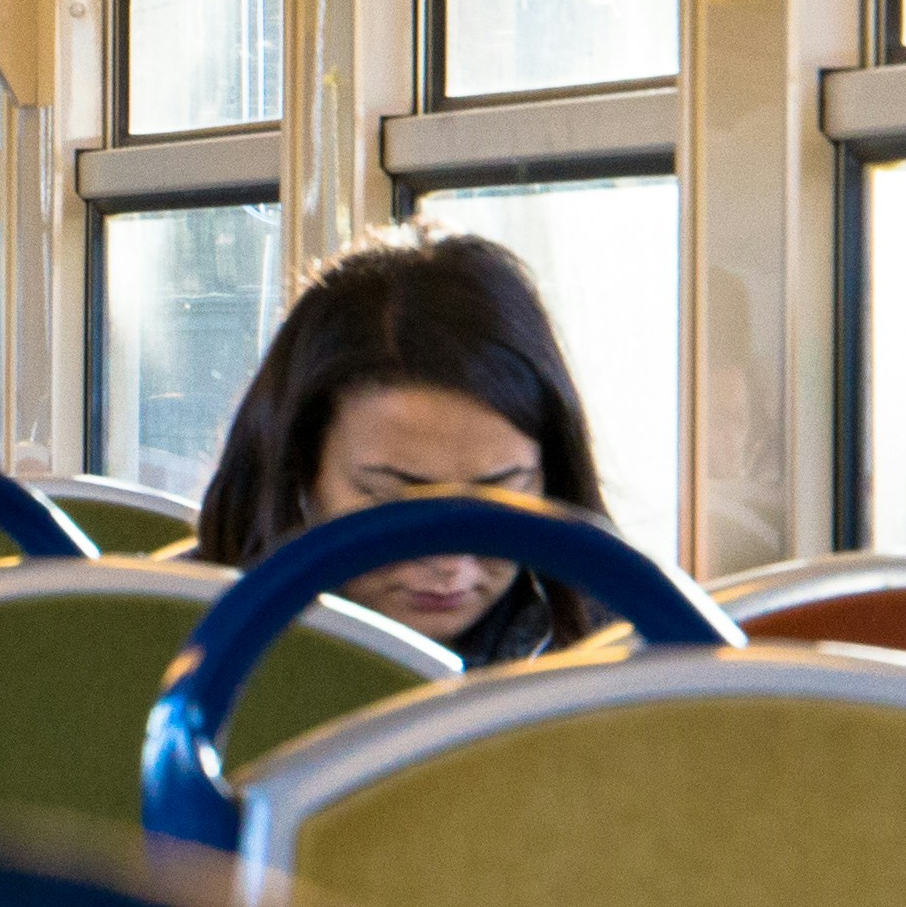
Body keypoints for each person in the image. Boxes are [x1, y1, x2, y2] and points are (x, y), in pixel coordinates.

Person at [187, 225, 612, 667]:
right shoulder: (164, 635)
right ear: (297, 470)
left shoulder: (629, 652)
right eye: (395, 503)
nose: (449, 562)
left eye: (497, 497)